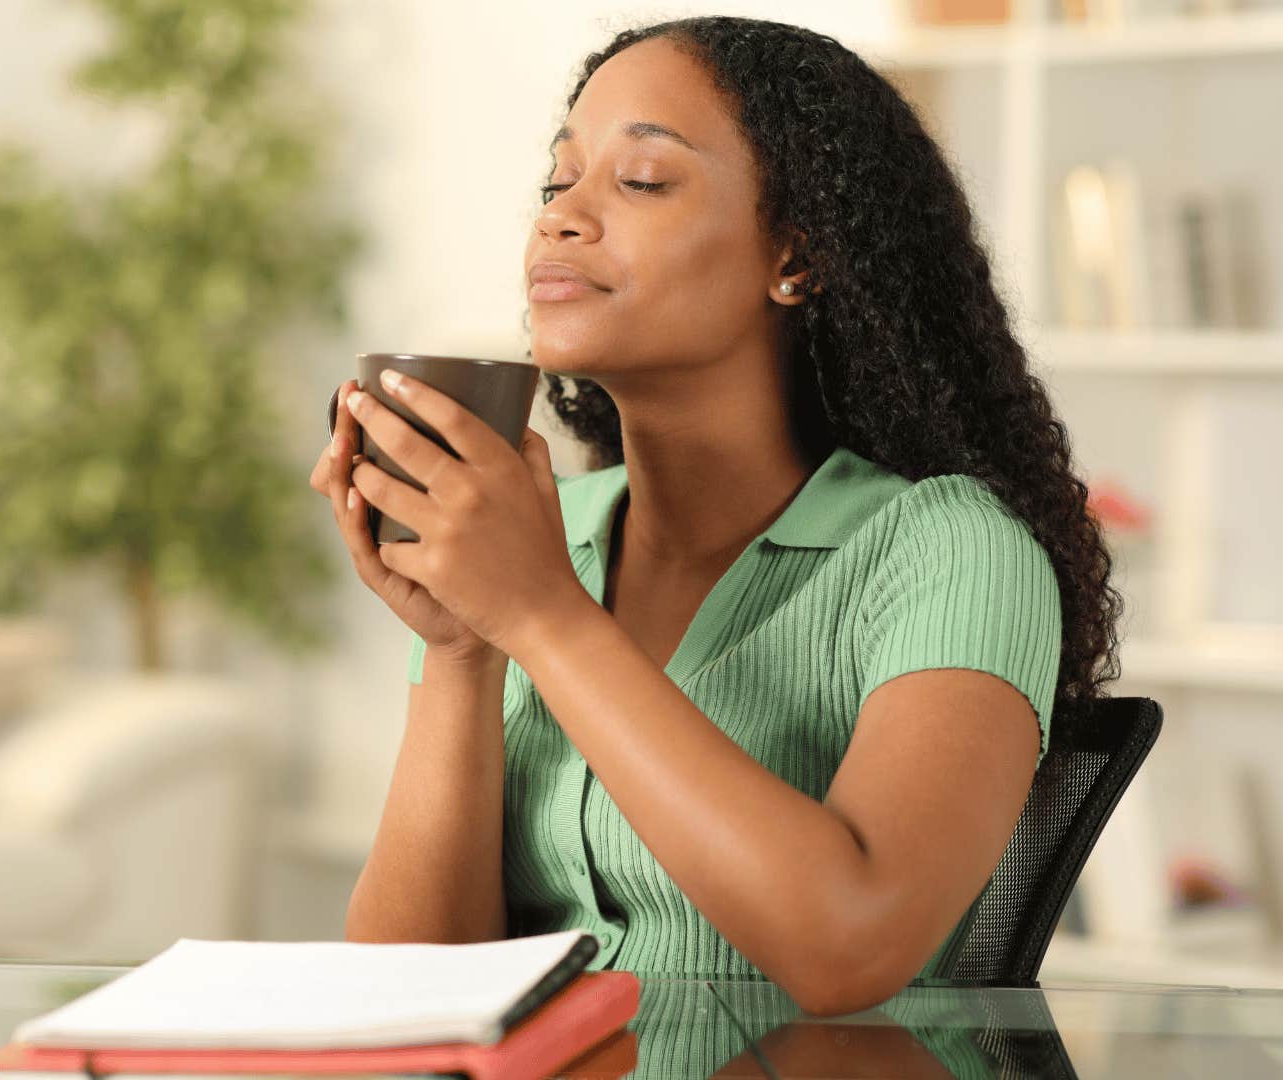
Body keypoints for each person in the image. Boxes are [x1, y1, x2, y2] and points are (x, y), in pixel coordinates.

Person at [307, 16, 1122, 1018]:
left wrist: (544, 619)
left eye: (642, 180)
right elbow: (405, 996)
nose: (561, 218)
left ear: (797, 256)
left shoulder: (950, 550)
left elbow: (851, 945)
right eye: (558, 182)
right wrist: (463, 649)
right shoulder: (534, 540)